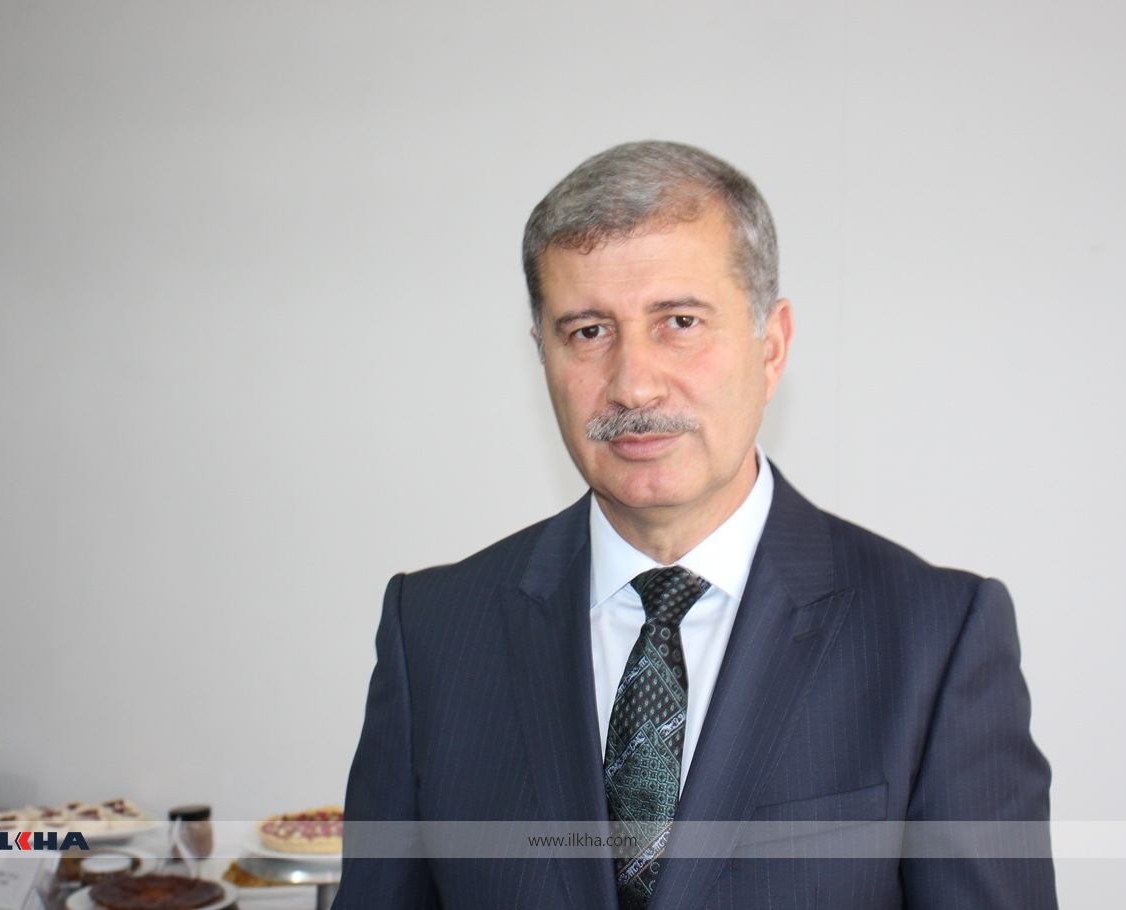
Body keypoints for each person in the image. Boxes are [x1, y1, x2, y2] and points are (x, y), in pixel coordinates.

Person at [334, 141, 1057, 909]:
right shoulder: (433, 635)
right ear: (541, 353)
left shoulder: (934, 639)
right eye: (588, 331)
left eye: (679, 321)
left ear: (771, 347)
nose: (633, 383)